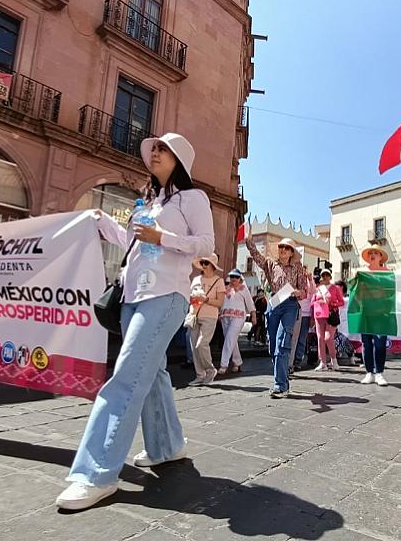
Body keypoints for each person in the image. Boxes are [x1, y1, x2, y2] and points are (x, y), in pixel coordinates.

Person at [56, 133, 214, 510]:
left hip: (165, 295)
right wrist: (104, 222)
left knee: (127, 376)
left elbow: (206, 244)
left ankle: (95, 473)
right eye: (153, 149)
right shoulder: (147, 202)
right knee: (153, 372)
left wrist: (164, 236)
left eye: (162, 148)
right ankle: (168, 446)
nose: (154, 153)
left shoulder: (193, 198)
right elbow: (134, 245)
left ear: (179, 158)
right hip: (132, 296)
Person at [245, 236, 310, 398]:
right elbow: (256, 256)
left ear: (291, 252)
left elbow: (304, 292)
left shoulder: (298, 268)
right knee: (273, 344)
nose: (283, 250)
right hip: (274, 303)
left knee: (282, 341)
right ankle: (283, 381)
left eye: (287, 248)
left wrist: (297, 292)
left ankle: (279, 385)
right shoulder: (270, 264)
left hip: (290, 304)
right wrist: (249, 241)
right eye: (281, 247)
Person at [187, 253, 226, 385]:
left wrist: (206, 299)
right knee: (194, 347)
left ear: (212, 265)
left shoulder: (218, 281)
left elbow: (220, 302)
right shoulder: (196, 279)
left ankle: (210, 370)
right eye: (202, 262)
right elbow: (189, 296)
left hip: (210, 316)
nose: (203, 265)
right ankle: (200, 374)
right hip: (194, 314)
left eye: (206, 262)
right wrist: (193, 298)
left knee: (201, 344)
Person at [358, 244, 390, 386]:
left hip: (381, 313)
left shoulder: (387, 272)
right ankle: (369, 372)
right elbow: (356, 292)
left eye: (376, 253)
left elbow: (390, 292)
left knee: (380, 343)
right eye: (370, 252)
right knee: (366, 343)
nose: (373, 255)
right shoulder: (361, 272)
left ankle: (380, 373)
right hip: (365, 313)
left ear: (380, 256)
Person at [218, 269, 255, 374]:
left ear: (240, 278)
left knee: (229, 339)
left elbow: (249, 302)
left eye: (236, 277)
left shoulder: (243, 289)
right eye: (232, 276)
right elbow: (221, 301)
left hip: (238, 316)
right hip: (225, 316)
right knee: (231, 340)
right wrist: (218, 312)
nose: (234, 279)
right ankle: (237, 362)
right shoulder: (225, 288)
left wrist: (253, 315)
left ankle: (223, 365)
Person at [310, 269, 345, 371]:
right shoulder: (318, 288)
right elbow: (312, 302)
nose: (325, 277)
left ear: (330, 276)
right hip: (320, 315)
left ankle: (334, 360)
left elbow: (342, 302)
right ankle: (322, 362)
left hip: (331, 315)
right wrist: (319, 302)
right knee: (320, 338)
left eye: (327, 275)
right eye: (323, 275)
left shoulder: (335, 288)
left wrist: (333, 304)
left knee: (328, 337)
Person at [288, 263, 314, 373]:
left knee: (302, 339)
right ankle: (290, 361)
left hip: (306, 315)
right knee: (292, 338)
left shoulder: (309, 282)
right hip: (294, 312)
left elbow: (313, 294)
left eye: (304, 270)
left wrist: (310, 280)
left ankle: (297, 361)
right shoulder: (294, 280)